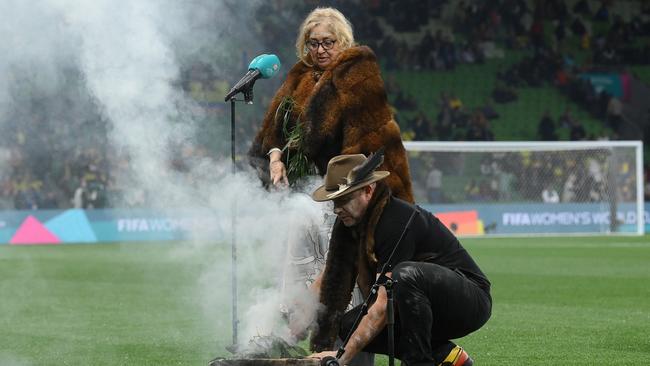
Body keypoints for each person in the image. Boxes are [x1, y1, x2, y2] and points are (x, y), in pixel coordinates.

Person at [292, 153, 491, 366]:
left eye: (344, 199)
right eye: (334, 202)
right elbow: (330, 277)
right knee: (347, 326)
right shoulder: (347, 224)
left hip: (468, 301)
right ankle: (446, 355)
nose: (337, 209)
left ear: (368, 191)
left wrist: (340, 358)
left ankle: (419, 362)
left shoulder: (395, 220)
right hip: (418, 305)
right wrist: (291, 330)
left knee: (403, 275)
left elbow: (383, 304)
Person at [248, 7, 413, 203]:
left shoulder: (358, 74)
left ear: (342, 41)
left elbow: (370, 141)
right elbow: (274, 130)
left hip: (347, 188)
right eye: (313, 43)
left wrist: (340, 181)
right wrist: (275, 161)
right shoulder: (299, 75)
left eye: (328, 42)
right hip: (299, 190)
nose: (320, 50)